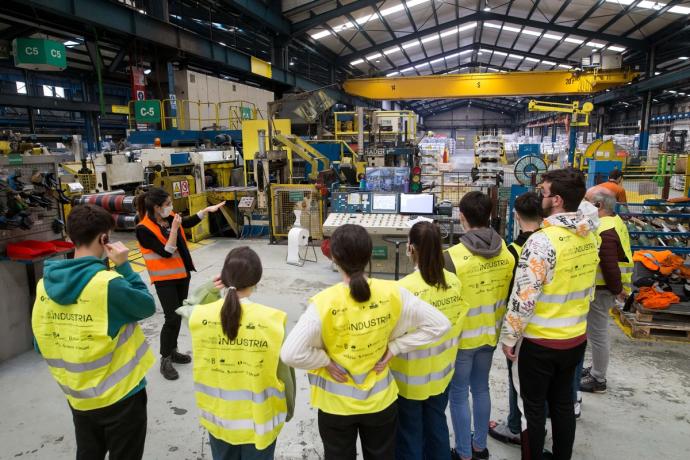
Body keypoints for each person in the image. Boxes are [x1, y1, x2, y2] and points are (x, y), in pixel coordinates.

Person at [281, 224, 450, 460]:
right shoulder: (394, 293)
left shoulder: (323, 303)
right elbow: (441, 324)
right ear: (369, 255)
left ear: (335, 259)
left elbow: (290, 353)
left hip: (335, 406)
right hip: (380, 403)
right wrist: (395, 347)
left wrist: (325, 361)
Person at [31, 204, 156, 459]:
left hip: (78, 397)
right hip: (121, 397)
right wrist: (124, 267)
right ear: (104, 239)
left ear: (69, 238)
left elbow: (39, 343)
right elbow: (146, 306)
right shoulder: (107, 286)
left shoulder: (44, 287)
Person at [500, 168, 600, 460]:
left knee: (531, 410)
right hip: (575, 338)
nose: (539, 197)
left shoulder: (542, 242)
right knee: (562, 406)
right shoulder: (587, 235)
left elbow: (524, 299)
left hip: (540, 342)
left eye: (543, 193)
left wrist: (510, 337)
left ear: (556, 200)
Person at [176, 246, 295, 460]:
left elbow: (187, 305)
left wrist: (210, 288)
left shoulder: (199, 317)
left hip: (219, 418)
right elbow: (285, 374)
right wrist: (289, 409)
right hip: (261, 421)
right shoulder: (272, 322)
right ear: (256, 280)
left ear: (224, 276)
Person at [444, 191, 516, 460]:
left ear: (462, 217)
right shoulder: (507, 254)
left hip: (461, 339)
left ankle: (463, 452)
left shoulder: (451, 257)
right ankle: (479, 447)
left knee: (459, 393)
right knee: (481, 388)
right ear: (489, 216)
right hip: (490, 335)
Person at [389, 222, 468, 460]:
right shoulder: (453, 281)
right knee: (437, 426)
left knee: (409, 434)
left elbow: (394, 334)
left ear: (410, 248)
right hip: (442, 373)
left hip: (410, 378)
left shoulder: (404, 289)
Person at [135, 187, 225, 380]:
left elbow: (187, 222)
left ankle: (173, 350)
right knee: (171, 319)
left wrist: (206, 211)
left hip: (181, 275)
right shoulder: (143, 229)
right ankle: (165, 359)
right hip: (163, 279)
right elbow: (166, 251)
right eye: (167, 204)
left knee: (178, 314)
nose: (171, 207)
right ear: (157, 207)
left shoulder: (170, 217)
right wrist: (174, 229)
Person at [489, 191, 542, 446]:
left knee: (516, 379)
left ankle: (514, 425)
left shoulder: (511, 252)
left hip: (520, 328)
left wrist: (508, 333)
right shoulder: (549, 245)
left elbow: (511, 295)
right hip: (548, 326)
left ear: (516, 215)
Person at [579, 186, 632, 394]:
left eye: (586, 200)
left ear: (598, 205)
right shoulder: (614, 221)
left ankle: (598, 378)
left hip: (602, 290)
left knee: (598, 335)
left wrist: (617, 289)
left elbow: (609, 266)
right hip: (605, 289)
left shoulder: (604, 230)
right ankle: (595, 370)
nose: (583, 203)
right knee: (596, 333)